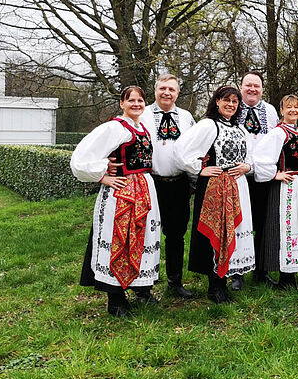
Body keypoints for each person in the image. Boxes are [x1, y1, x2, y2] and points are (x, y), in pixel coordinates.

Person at [71, 86, 161, 317]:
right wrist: (103, 175)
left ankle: (142, 289)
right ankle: (116, 298)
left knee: (142, 238)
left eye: (140, 100)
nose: (136, 104)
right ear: (122, 103)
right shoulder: (113, 128)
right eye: (131, 100)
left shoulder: (143, 127)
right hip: (120, 194)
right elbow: (80, 159)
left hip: (144, 190)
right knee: (119, 239)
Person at [175, 86, 256, 303]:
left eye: (235, 102)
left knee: (234, 231)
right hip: (215, 188)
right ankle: (215, 286)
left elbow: (251, 156)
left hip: (238, 187)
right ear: (217, 102)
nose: (231, 105)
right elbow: (181, 150)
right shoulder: (208, 125)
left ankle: (227, 278)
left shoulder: (240, 129)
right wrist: (199, 169)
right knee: (218, 233)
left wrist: (248, 167)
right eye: (226, 100)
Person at [253, 94, 298, 288]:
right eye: (288, 107)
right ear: (281, 110)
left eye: (296, 107)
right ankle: (285, 276)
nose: (292, 111)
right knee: (286, 228)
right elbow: (260, 157)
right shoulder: (278, 133)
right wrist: (275, 174)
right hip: (287, 185)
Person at [139, 74, 195, 298]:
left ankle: (175, 282)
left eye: (171, 89)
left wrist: (193, 182)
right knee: (146, 235)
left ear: (178, 93)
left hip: (179, 184)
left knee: (176, 235)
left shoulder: (186, 117)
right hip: (151, 183)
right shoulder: (141, 115)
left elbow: (194, 150)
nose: (167, 93)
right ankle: (143, 287)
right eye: (162, 88)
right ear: (155, 90)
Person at [239, 71, 279, 290]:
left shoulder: (271, 111)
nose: (252, 89)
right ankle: (237, 272)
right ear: (241, 86)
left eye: (257, 86)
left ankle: (260, 270)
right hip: (240, 177)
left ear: (262, 89)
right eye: (248, 85)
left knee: (263, 225)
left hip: (264, 177)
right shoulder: (234, 108)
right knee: (240, 224)